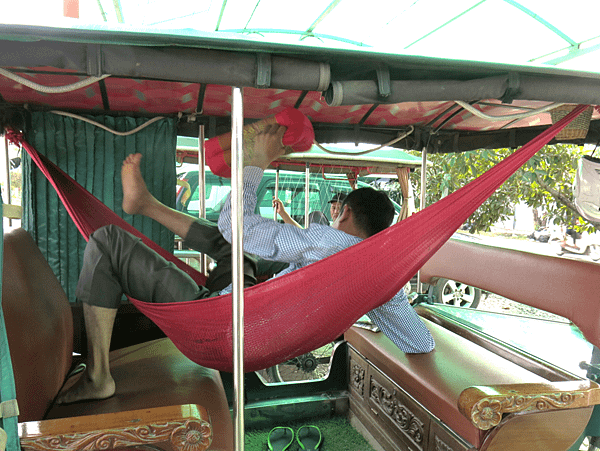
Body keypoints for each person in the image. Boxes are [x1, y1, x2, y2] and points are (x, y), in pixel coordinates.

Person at [55, 152, 264, 404]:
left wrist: (261, 159)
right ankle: (145, 203)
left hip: (225, 326)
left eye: (329, 206)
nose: (328, 208)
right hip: (241, 308)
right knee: (240, 243)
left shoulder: (322, 248)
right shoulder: (317, 248)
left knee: (108, 242)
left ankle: (97, 378)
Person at [218, 125, 435, 356]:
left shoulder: (325, 242)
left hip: (233, 320)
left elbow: (233, 226)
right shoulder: (384, 278)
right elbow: (421, 343)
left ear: (345, 213)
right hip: (281, 341)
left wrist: (256, 164)